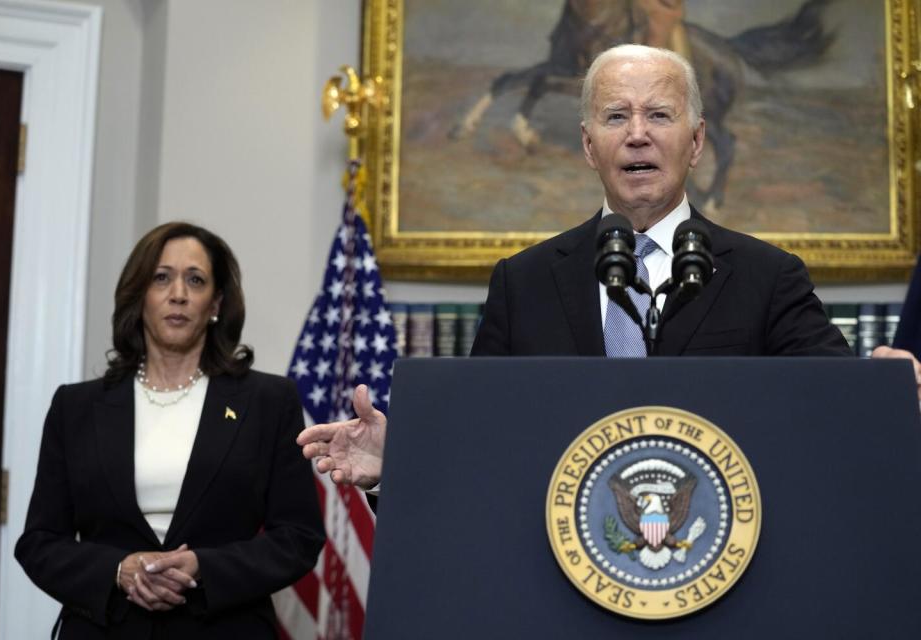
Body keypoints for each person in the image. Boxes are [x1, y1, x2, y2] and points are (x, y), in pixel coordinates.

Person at [298, 44, 921, 489]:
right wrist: (399, 462)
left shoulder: (768, 276)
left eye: (659, 115)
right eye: (616, 116)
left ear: (697, 141)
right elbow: (482, 442)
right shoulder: (524, 282)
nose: (638, 135)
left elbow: (837, 416)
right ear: (588, 145)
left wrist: (891, 391)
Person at [16, 223, 325, 638]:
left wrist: (204, 567)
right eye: (161, 278)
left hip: (224, 628)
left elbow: (299, 537)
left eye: (195, 280)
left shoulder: (269, 402)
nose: (178, 293)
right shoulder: (76, 407)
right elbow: (40, 542)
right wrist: (117, 570)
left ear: (215, 303)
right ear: (139, 296)